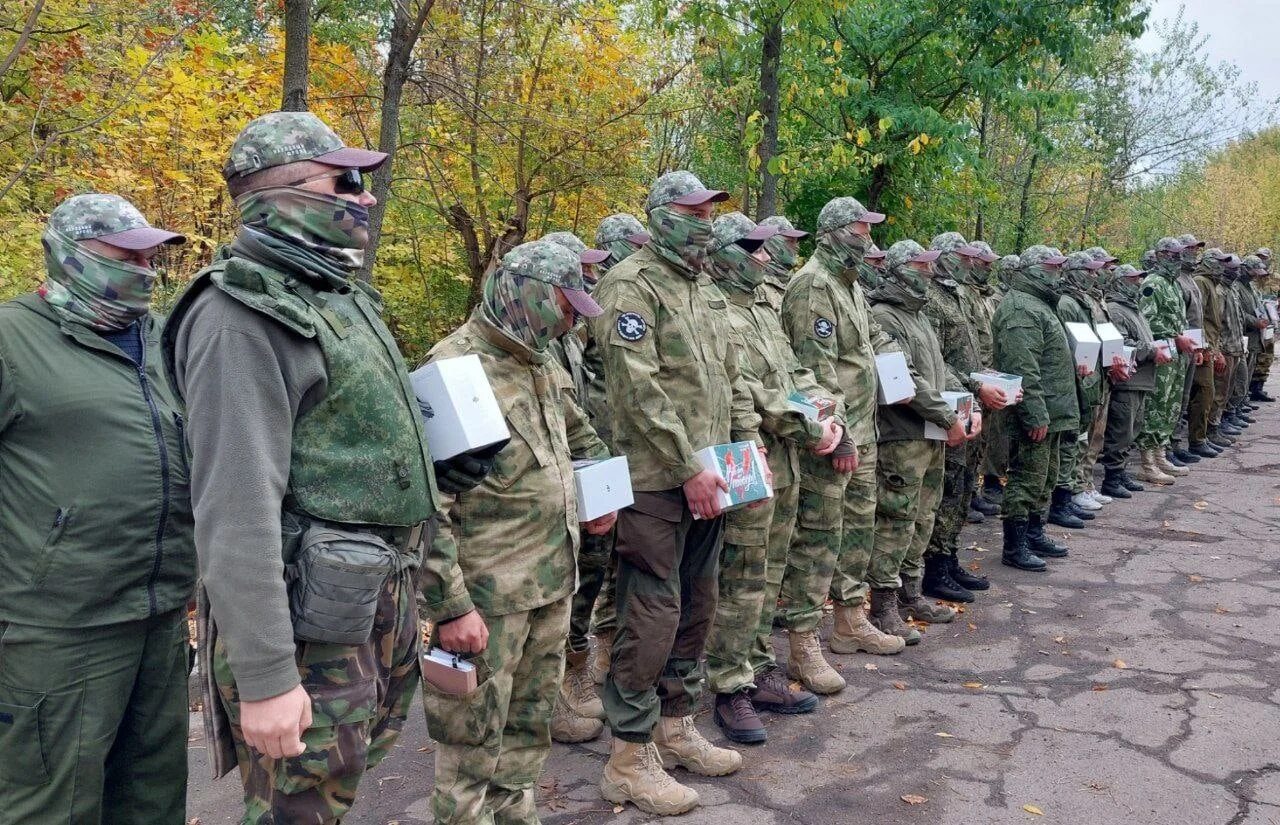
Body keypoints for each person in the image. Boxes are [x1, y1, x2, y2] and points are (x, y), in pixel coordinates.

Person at [163, 111, 441, 822]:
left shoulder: (336, 300)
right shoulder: (238, 319)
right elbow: (235, 510)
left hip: (366, 606)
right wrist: (264, 678)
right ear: (282, 194)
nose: (366, 196)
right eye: (345, 180)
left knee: (335, 788)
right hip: (306, 629)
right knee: (297, 807)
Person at [0, 194, 193, 824]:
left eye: (149, 254)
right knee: (50, 804)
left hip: (161, 614)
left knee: (151, 797)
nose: (144, 268)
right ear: (69, 255)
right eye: (125, 253)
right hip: (58, 627)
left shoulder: (166, 340)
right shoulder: (13, 338)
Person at [420, 240, 619, 823]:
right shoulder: (454, 367)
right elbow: (430, 505)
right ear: (527, 292)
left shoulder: (541, 362)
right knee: (470, 748)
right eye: (565, 304)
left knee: (526, 737)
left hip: (553, 583)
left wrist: (599, 496)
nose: (570, 320)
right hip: (488, 599)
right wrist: (451, 606)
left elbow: (583, 441)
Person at [589, 171, 760, 816]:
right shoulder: (631, 285)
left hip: (713, 475)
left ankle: (675, 723)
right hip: (658, 481)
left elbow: (730, 376)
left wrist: (744, 445)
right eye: (692, 210)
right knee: (651, 612)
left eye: (711, 209)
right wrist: (688, 464)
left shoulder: (705, 286)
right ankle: (628, 758)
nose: (706, 220)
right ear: (660, 215)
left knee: (699, 603)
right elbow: (637, 390)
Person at [701, 212, 842, 745]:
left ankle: (759, 670)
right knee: (741, 577)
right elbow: (754, 395)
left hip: (786, 460)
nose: (765, 256)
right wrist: (812, 426)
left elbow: (794, 375)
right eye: (753, 248)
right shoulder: (717, 311)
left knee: (770, 572)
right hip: (746, 457)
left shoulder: (762, 308)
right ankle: (728, 688)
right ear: (726, 252)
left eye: (765, 247)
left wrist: (825, 410)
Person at [778, 195, 920, 690]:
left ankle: (850, 620)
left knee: (855, 531)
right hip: (833, 436)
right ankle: (802, 643)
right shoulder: (813, 286)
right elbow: (812, 372)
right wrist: (836, 435)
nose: (868, 239)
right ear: (836, 231)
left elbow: (871, 345)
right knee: (818, 538)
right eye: (860, 230)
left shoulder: (849, 285)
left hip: (864, 429)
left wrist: (904, 373)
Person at [867, 240, 975, 638]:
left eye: (930, 264)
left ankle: (911, 592)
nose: (929, 271)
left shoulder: (919, 315)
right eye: (920, 264)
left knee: (923, 515)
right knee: (896, 518)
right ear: (898, 269)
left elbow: (939, 371)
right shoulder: (884, 316)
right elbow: (904, 379)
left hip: (930, 431)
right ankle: (883, 604)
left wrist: (966, 408)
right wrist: (947, 415)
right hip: (902, 435)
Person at [538, 230, 617, 744]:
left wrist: (605, 484)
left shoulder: (565, 337)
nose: (590, 275)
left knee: (585, 581)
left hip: (579, 479)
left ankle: (569, 678)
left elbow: (580, 415)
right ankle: (552, 694)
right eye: (580, 268)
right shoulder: (532, 343)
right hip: (535, 501)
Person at [921, 232, 1007, 602]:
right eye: (963, 256)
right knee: (950, 486)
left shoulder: (959, 294)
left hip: (973, 401)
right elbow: (937, 362)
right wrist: (974, 383)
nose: (970, 263)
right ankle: (935, 567)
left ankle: (949, 556)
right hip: (951, 403)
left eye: (973, 258)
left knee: (964, 484)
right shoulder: (930, 299)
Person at [584, 213, 650, 686]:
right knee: (594, 558)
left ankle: (610, 652)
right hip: (598, 440)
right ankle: (586, 661)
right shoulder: (605, 297)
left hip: (624, 443)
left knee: (621, 555)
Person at [992, 245, 1078, 571]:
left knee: (1046, 477)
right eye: (1052, 267)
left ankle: (1034, 532)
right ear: (1034, 270)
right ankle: (1014, 546)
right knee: (1027, 477)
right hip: (1039, 412)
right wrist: (1034, 412)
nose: (1058, 273)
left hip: (1054, 410)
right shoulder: (1021, 309)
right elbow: (1022, 366)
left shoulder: (1040, 305)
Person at [1049, 252, 1107, 529]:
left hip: (1087, 377)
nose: (1094, 276)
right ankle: (1068, 494)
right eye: (1089, 271)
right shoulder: (1067, 302)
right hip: (1074, 379)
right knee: (1074, 439)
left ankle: (1074, 490)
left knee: (1082, 437)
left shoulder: (1082, 300)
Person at [1135, 237, 1197, 485]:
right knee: (1155, 405)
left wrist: (1183, 338)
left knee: (1169, 406)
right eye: (1172, 255)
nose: (1177, 259)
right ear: (1160, 255)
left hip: (1176, 354)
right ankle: (1147, 462)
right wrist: (1174, 336)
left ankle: (1160, 454)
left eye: (1179, 255)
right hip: (1162, 353)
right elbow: (1147, 321)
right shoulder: (1153, 283)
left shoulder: (1173, 284)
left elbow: (1180, 319)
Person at [1100, 263, 1166, 497]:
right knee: (1120, 431)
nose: (1138, 283)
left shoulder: (1133, 308)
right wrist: (1151, 349)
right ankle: (1112, 479)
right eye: (1132, 279)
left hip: (1140, 380)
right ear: (1119, 282)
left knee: (1132, 430)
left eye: (1138, 279)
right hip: (1127, 381)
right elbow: (1120, 345)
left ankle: (1121, 472)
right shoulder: (1116, 310)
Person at [1189, 249, 1236, 458]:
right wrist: (1206, 348)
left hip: (1210, 346)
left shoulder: (1211, 283)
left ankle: (1202, 437)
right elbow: (1197, 319)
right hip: (1202, 348)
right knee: (1204, 392)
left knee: (1207, 392)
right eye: (1219, 261)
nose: (1222, 266)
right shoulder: (1201, 281)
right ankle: (1197, 439)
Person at [1169, 235, 1207, 470]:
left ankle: (1174, 445)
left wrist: (1199, 347)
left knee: (1182, 400)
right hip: (1177, 348)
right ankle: (1169, 446)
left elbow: (1196, 319)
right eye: (1189, 249)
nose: (1194, 252)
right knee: (1174, 400)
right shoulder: (1177, 281)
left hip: (1191, 347)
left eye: (1195, 249)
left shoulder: (1189, 279)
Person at [758, 215, 809, 312]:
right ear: (770, 242)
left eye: (796, 242)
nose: (797, 247)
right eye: (790, 241)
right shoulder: (756, 287)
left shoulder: (795, 282)